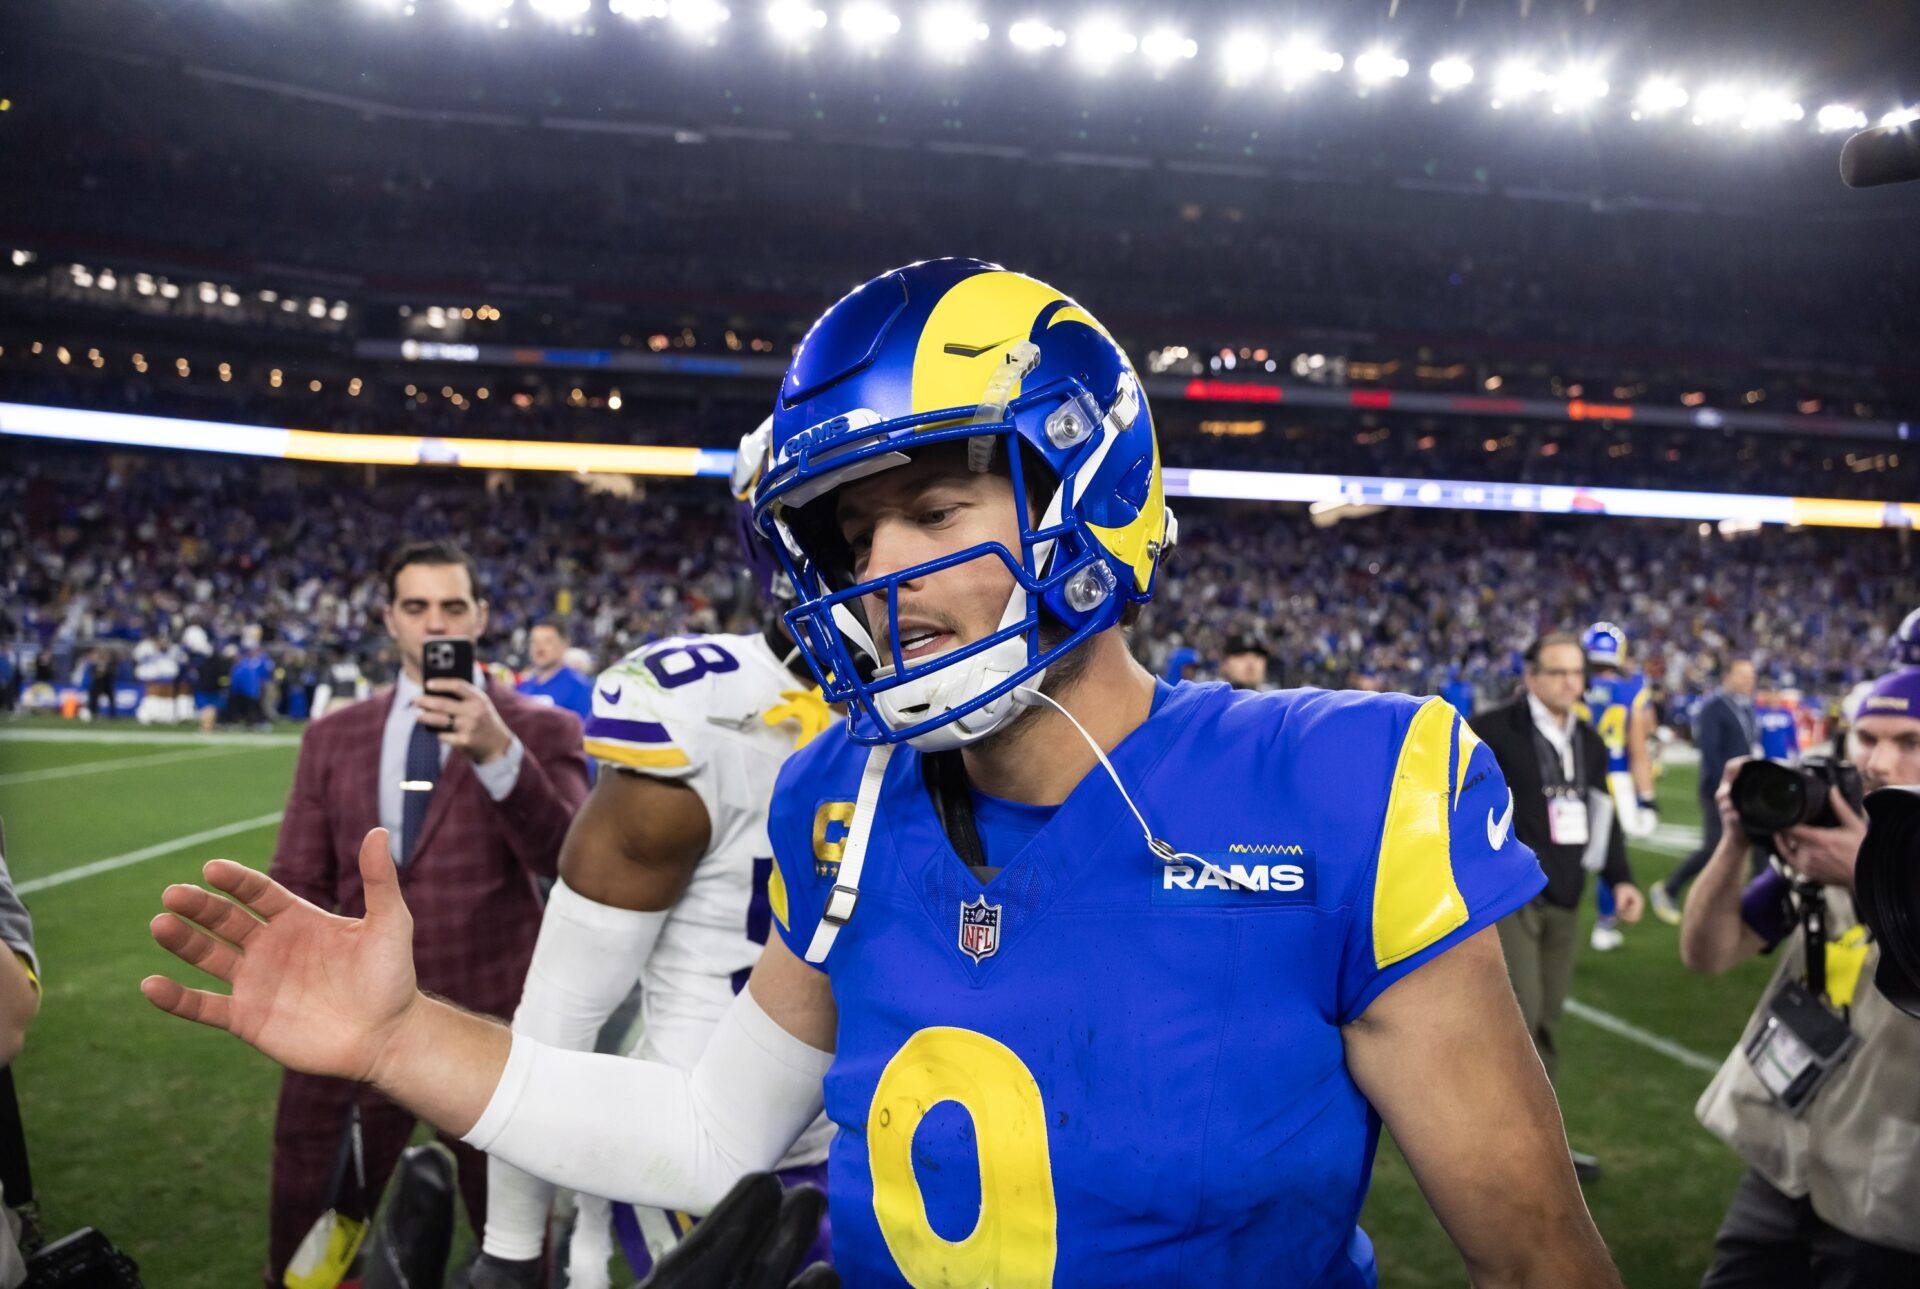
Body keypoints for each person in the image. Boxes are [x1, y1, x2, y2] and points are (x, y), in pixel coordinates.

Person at [145, 260, 1619, 1287]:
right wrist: (405, 1040)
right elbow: (713, 1135)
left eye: (931, 509)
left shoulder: (1343, 782)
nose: (882, 578)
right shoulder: (841, 796)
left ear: (1081, 487)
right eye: (851, 541)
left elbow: (1532, 1258)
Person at [473, 425, 836, 1288]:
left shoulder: (971, 721)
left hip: (887, 1149)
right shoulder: (703, 714)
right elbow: (560, 1015)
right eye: (844, 515)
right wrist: (510, 1247)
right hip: (701, 1167)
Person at [251, 540, 591, 1287]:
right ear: (389, 620)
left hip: (489, 1027)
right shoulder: (333, 735)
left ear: (481, 617)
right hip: (348, 1025)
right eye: (416, 607)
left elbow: (570, 860)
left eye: (452, 606)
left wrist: (498, 754)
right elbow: (300, 875)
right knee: (313, 1235)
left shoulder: (537, 727)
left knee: (510, 1242)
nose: (435, 623)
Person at [1679, 665, 1920, 1287]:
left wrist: (1873, 871)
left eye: (1910, 742)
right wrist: (1736, 840)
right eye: (1866, 737)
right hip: (1785, 1165)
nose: (1878, 762)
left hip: (1889, 1190)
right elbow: (1709, 953)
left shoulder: (1851, 854)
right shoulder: (1825, 849)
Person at [1471, 632, 1644, 1178]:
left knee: (1546, 1018)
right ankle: (1511, 1146)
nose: (1573, 683)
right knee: (1520, 1014)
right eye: (1560, 672)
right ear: (1531, 676)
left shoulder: (1589, 742)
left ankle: (1537, 1143)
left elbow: (1599, 812)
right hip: (1513, 894)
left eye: (1578, 674)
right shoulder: (1491, 731)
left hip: (1567, 893)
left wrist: (1621, 878)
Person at [1653, 657, 1762, 923]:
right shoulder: (1714, 707)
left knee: (1760, 845)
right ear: (1728, 676)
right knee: (1714, 847)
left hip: (1745, 788)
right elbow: (1711, 754)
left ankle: (1753, 905)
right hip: (1720, 789)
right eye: (1743, 675)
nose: (1750, 681)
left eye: (1752, 676)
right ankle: (1668, 889)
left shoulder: (1745, 707)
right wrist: (1723, 788)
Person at [1575, 622, 1657, 951]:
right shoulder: (1631, 691)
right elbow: (1641, 745)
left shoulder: (1571, 684)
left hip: (1572, 776)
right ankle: (1605, 924)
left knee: (1561, 852)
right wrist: (1647, 797)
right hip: (1614, 780)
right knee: (1611, 853)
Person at [515, 621, 594, 723]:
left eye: (547, 641)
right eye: (534, 642)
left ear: (564, 644)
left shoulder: (580, 688)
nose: (539, 648)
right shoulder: (522, 688)